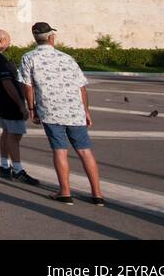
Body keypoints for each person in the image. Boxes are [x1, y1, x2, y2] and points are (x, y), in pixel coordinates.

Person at [20, 21, 103, 206]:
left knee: (60, 150)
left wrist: (32, 108)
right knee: (84, 150)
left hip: (50, 111)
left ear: (35, 38)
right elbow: (81, 86)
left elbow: (27, 85)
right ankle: (97, 194)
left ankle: (65, 192)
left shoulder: (29, 58)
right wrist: (86, 111)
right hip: (75, 110)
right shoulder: (67, 58)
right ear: (51, 37)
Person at [0, 28, 38, 185]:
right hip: (9, 102)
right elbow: (7, 83)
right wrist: (21, 105)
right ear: (1, 41)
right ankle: (18, 170)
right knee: (14, 135)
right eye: (8, 41)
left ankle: (4, 165)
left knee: (6, 132)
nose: (9, 44)